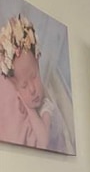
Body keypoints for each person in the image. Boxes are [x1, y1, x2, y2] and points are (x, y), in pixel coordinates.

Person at [0, 13, 68, 153]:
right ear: (16, 88)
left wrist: (29, 108)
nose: (32, 89)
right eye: (24, 85)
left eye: (35, 76)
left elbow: (43, 141)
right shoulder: (13, 95)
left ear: (38, 65)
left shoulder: (46, 104)